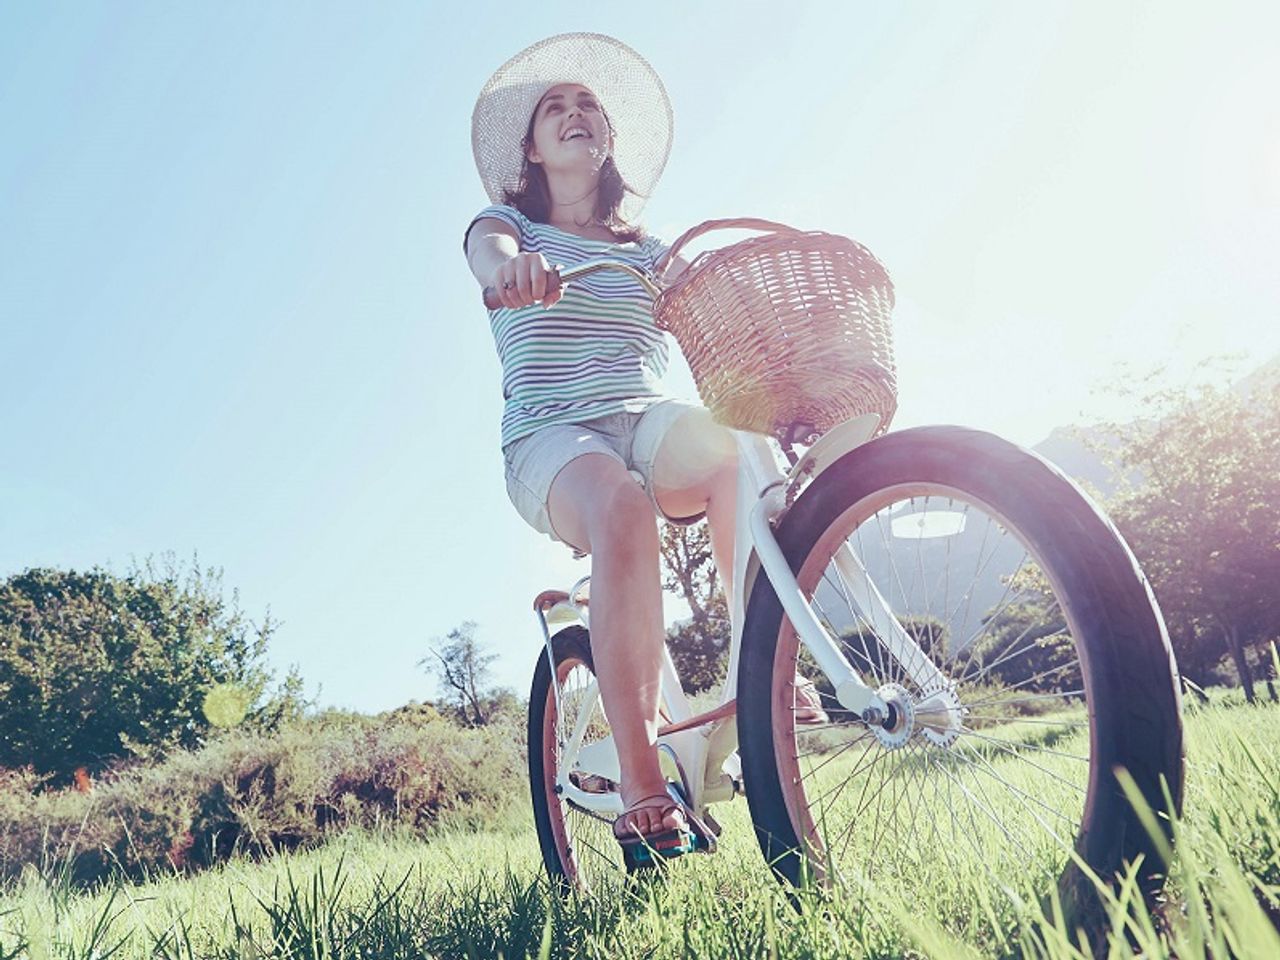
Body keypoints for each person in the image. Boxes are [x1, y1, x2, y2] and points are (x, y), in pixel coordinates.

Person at [464, 33, 823, 854]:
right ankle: (640, 776)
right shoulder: (508, 225)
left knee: (733, 446)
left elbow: (711, 311)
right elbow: (487, 253)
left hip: (646, 415)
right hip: (552, 436)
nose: (574, 112)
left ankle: (767, 661)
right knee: (622, 507)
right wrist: (514, 270)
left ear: (609, 138)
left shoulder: (646, 251)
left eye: (588, 104)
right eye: (555, 108)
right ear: (532, 148)